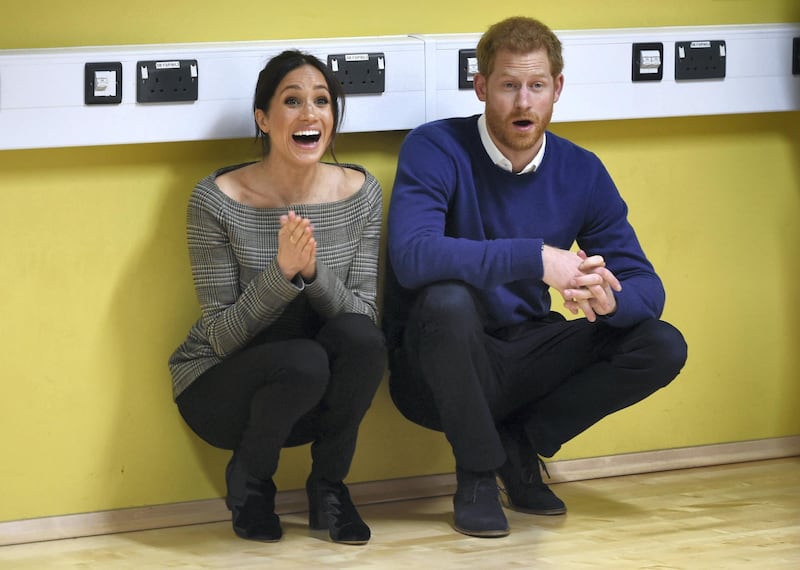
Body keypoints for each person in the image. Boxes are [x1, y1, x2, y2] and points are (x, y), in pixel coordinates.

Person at [384, 16, 688, 538]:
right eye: (508, 85)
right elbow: (413, 256)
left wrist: (609, 299)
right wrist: (539, 259)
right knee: (447, 301)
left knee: (660, 344)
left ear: (557, 90)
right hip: (434, 366)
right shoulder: (434, 148)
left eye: (536, 86)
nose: (523, 102)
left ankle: (519, 444)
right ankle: (477, 474)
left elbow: (645, 285)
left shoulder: (582, 170)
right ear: (481, 87)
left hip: (526, 351)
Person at [168, 50, 386, 545]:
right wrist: (282, 272)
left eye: (322, 101)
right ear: (264, 119)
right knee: (305, 359)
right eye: (292, 101)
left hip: (312, 387)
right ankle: (250, 484)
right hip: (221, 386)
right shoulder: (217, 199)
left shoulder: (361, 193)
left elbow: (365, 318)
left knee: (362, 340)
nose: (310, 114)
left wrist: (312, 271)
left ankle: (328, 487)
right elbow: (221, 336)